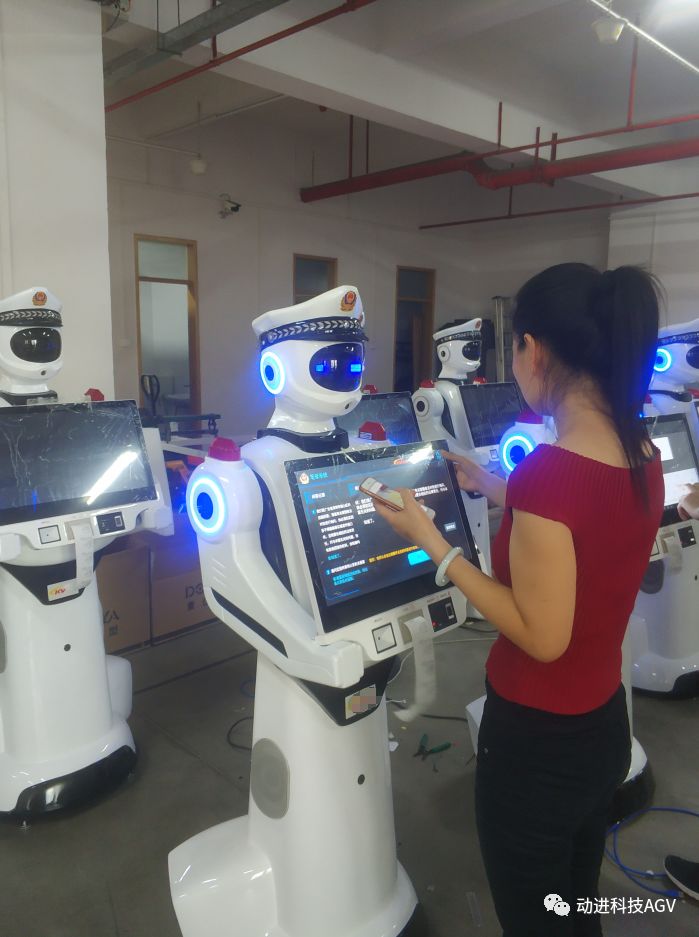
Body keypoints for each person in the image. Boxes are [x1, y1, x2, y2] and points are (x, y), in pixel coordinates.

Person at [369, 263, 664, 937]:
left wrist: (434, 545)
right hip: (602, 732)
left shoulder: (548, 474)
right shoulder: (641, 449)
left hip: (537, 746)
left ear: (533, 350)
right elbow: (590, 523)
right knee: (576, 901)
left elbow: (542, 635)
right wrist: (498, 486)